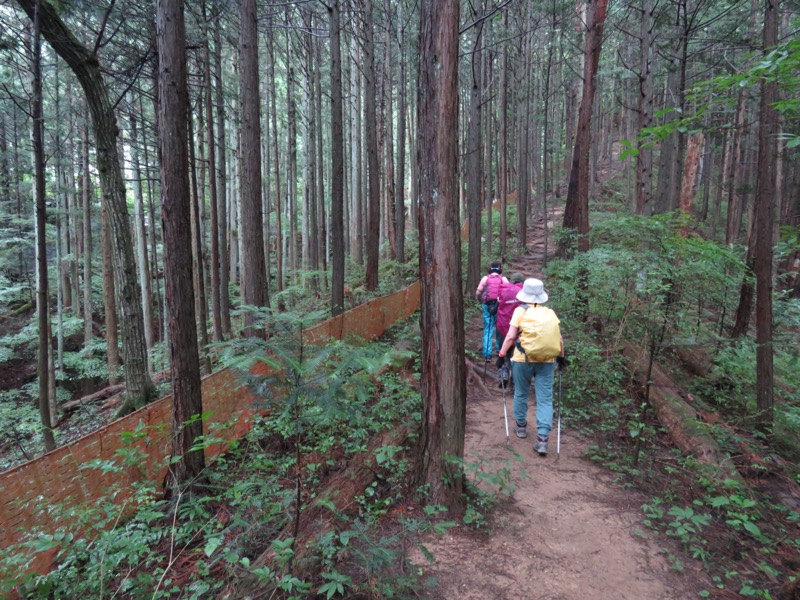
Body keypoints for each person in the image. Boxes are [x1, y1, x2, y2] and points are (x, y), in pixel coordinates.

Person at [496, 278, 566, 456]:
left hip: (522, 359)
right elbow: (559, 340)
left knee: (521, 392)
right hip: (547, 361)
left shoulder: (520, 311)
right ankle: (542, 439)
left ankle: (520, 427)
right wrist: (562, 358)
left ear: (524, 294)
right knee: (545, 399)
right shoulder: (550, 312)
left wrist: (502, 355)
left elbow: (511, 336)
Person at [475, 261, 508, 362]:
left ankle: (487, 354)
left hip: (487, 305)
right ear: (499, 268)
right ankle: (499, 350)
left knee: (488, 329)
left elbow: (478, 292)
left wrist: (481, 301)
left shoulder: (485, 278)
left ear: (490, 268)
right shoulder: (503, 279)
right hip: (500, 306)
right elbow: (508, 292)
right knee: (499, 328)